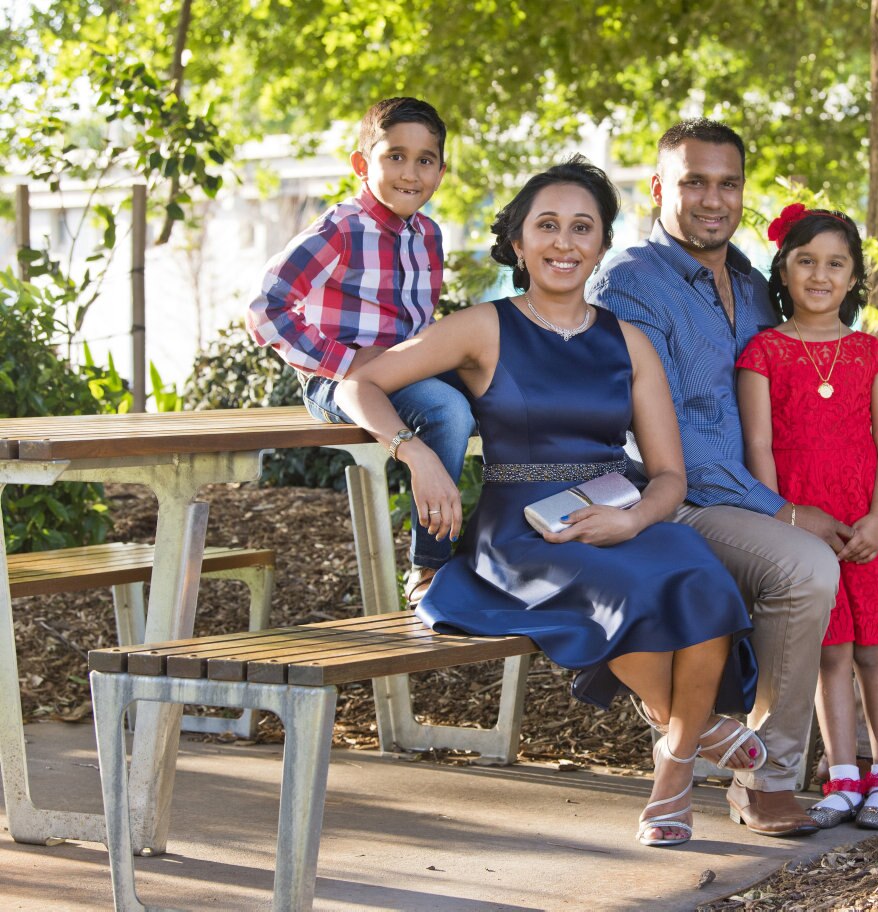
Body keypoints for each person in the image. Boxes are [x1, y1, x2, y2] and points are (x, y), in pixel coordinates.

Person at [334, 156, 762, 848]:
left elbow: (669, 477)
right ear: (519, 241)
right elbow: (361, 385)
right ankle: (692, 732)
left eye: (582, 228)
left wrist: (632, 519)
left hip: (618, 506)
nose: (564, 243)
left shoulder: (629, 342)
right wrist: (415, 454)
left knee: (701, 576)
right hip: (525, 527)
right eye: (548, 226)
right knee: (622, 593)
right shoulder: (485, 327)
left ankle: (674, 767)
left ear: (600, 246)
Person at [588, 119, 878, 838]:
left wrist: (873, 507)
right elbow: (662, 433)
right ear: (658, 188)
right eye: (693, 182)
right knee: (805, 565)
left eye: (727, 183)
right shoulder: (631, 284)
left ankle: (871, 757)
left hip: (797, 494)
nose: (712, 198)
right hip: (691, 501)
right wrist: (786, 512)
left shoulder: (755, 281)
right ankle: (766, 775)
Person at [246, 96, 473, 607]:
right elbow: (266, 308)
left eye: (425, 160)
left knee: (505, 387)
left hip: (404, 372)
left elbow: (419, 324)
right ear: (361, 164)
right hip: (335, 382)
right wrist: (345, 361)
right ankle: (429, 569)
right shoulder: (342, 229)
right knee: (448, 410)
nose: (410, 172)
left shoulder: (429, 236)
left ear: (440, 171)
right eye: (395, 156)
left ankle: (508, 545)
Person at [737, 204, 878, 830]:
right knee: (831, 653)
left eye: (836, 263)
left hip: (862, 521)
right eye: (806, 261)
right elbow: (759, 448)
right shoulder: (765, 352)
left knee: (874, 650)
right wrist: (784, 525)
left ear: (855, 276)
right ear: (782, 269)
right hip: (805, 523)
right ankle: (841, 777)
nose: (819, 275)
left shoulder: (869, 353)